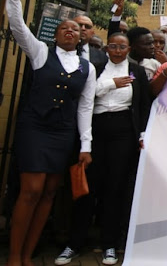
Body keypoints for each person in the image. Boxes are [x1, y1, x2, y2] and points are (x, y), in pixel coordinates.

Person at [3, 0, 95, 266]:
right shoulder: (41, 52)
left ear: (81, 37)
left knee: (49, 193)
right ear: (55, 35)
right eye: (64, 28)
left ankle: (28, 255)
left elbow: (85, 106)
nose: (70, 32)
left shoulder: (87, 67)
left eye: (75, 29)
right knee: (30, 190)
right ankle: (14, 257)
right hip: (35, 128)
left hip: (62, 133)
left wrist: (85, 145)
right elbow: (17, 25)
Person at [55, 33, 153, 266]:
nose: (117, 51)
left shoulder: (136, 71)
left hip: (123, 132)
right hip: (95, 129)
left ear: (129, 48)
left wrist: (142, 134)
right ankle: (74, 243)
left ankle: (109, 244)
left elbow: (143, 104)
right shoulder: (94, 68)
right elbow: (85, 96)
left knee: (115, 188)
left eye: (122, 47)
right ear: (107, 48)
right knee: (88, 188)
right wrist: (111, 84)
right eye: (113, 46)